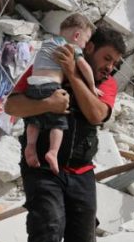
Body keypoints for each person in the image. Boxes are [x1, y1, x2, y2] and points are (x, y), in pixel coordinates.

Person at [4, 26, 126, 242]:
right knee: (48, 226)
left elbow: (97, 113)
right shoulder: (49, 65)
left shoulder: (106, 84)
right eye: (106, 58)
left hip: (81, 171)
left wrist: (74, 75)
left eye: (115, 63)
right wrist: (47, 105)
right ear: (90, 47)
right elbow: (12, 105)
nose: (109, 67)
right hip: (43, 167)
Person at [23, 13, 97, 175]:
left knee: (34, 120)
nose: (84, 46)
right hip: (50, 86)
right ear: (77, 36)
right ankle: (53, 152)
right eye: (85, 41)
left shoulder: (47, 42)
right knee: (58, 122)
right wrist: (92, 87)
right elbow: (84, 67)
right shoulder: (71, 47)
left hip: (33, 84)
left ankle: (30, 145)